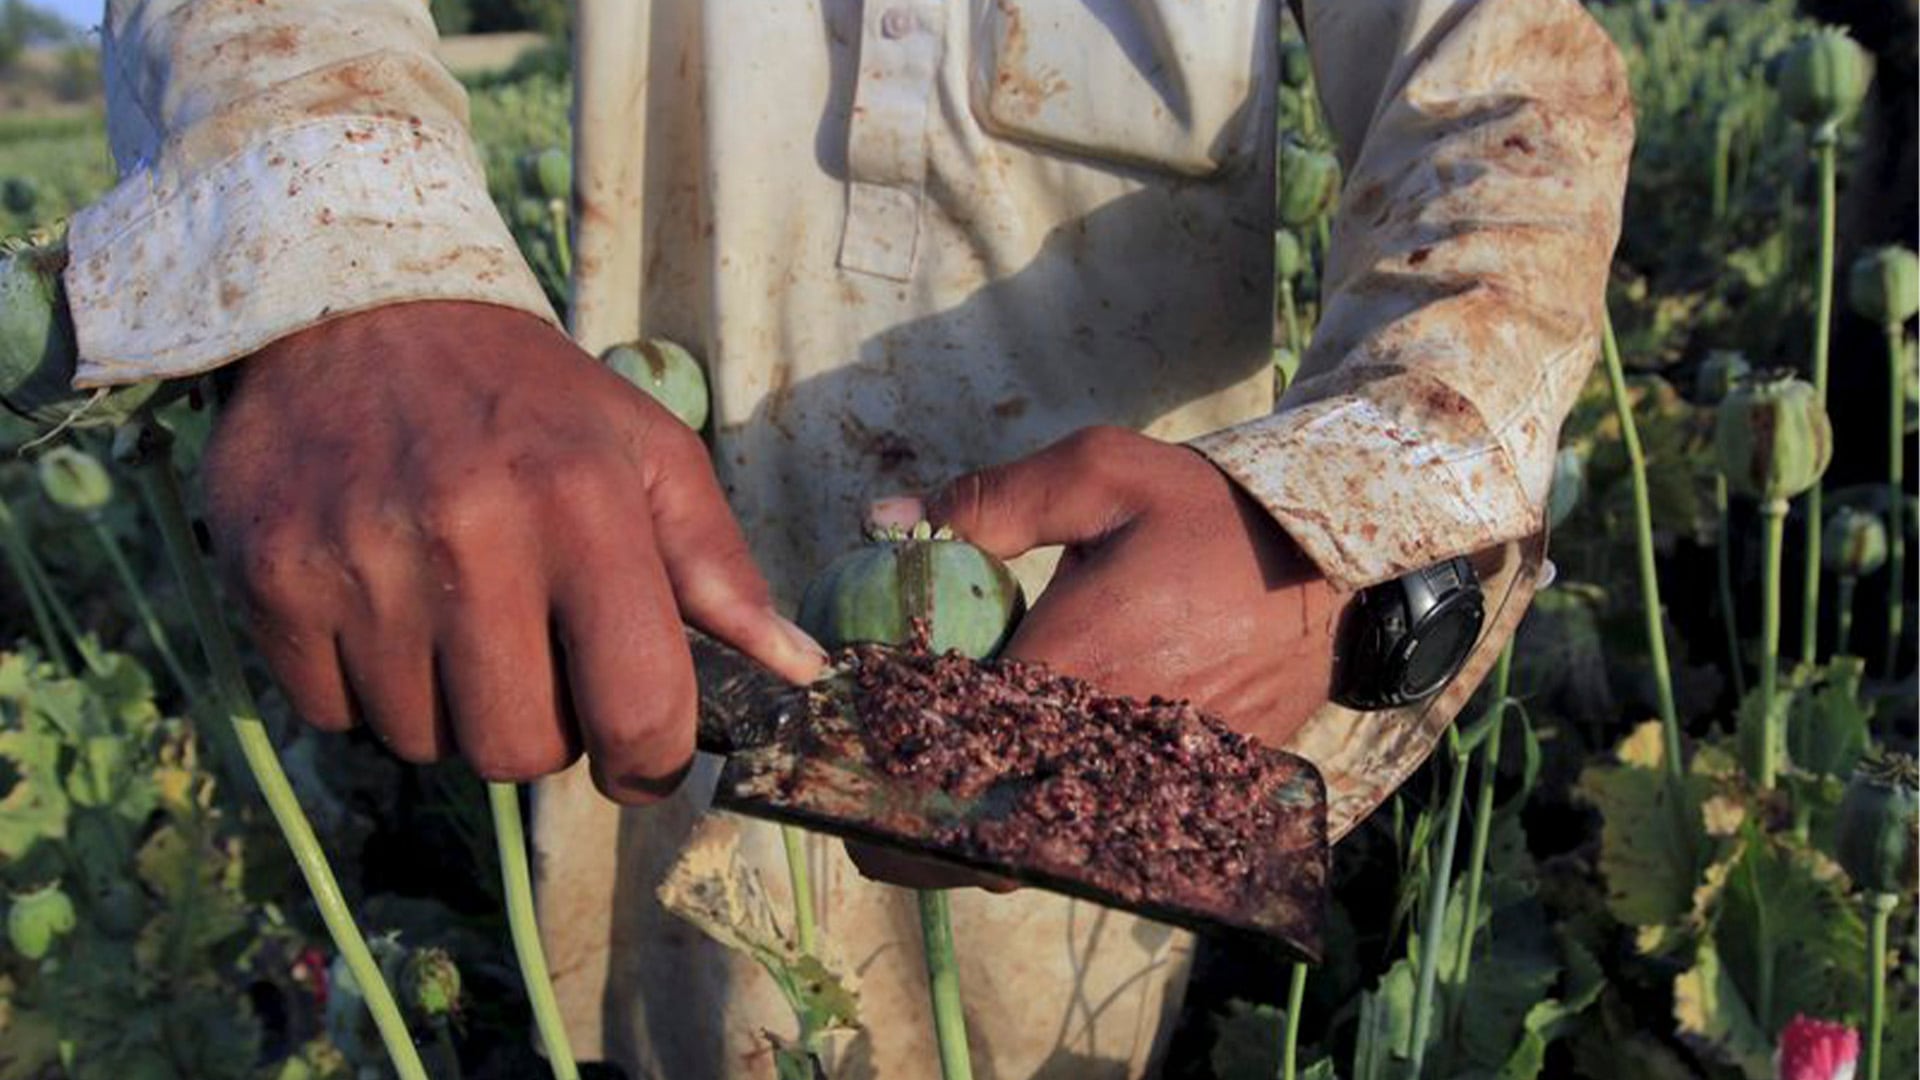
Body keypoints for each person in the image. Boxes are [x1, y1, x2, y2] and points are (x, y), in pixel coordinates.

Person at [63, 0, 1631, 1075]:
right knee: (691, 984)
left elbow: (1510, 88)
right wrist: (350, 254)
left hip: (1133, 651)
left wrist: (1339, 510)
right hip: (647, 617)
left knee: (1041, 1019)